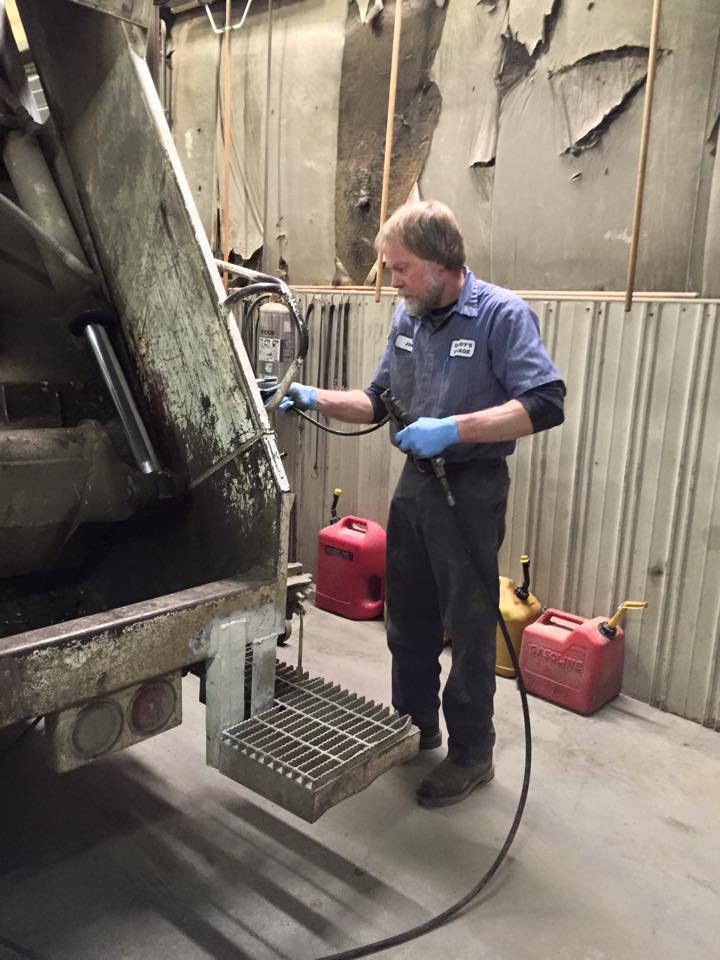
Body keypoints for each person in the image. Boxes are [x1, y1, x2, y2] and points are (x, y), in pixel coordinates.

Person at [281, 200, 565, 807]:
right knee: (406, 620)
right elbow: (377, 401)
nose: (391, 281)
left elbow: (546, 402)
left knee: (466, 628)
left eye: (401, 268)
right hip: (415, 486)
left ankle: (470, 754)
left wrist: (453, 429)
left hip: (471, 489)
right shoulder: (408, 320)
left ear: (442, 263)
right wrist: (314, 398)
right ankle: (413, 727)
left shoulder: (501, 316)